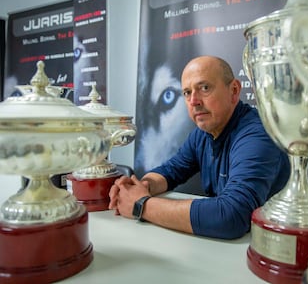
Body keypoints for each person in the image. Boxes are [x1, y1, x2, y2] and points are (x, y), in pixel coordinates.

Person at [108, 55, 290, 239]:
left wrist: (142, 205)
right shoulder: (203, 133)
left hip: (273, 247)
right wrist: (140, 187)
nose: (194, 101)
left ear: (234, 91)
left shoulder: (257, 133)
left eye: (204, 88)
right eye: (187, 92)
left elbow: (233, 215)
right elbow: (171, 171)